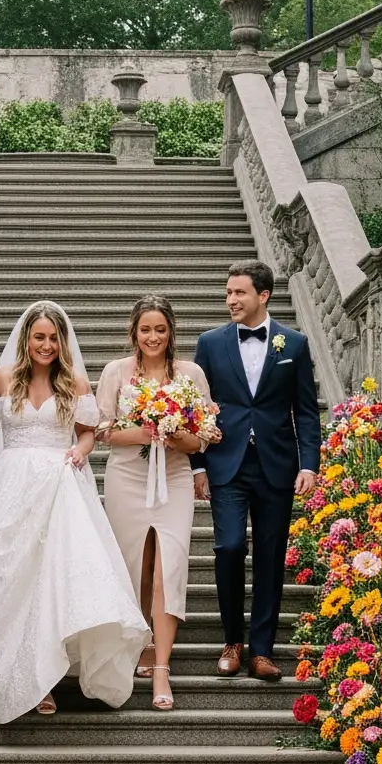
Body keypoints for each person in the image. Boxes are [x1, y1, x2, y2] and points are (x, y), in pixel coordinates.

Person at [0, 299, 149, 724]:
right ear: (26, 339)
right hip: (12, 486)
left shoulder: (76, 383)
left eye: (53, 338)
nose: (46, 345)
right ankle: (12, 671)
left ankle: (44, 675)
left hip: (59, 485)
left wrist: (79, 454)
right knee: (10, 579)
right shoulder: (2, 378)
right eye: (39, 337)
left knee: (50, 579)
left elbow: (86, 436)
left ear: (63, 342)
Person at [193, 257, 320, 680]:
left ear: (263, 295)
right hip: (225, 463)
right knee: (229, 548)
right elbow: (197, 410)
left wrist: (310, 465)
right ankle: (232, 640)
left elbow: (305, 411)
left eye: (239, 292)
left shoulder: (294, 345)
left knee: (270, 556)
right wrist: (198, 466)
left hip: (277, 465)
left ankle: (262, 650)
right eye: (228, 292)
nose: (231, 299)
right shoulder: (210, 343)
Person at [95, 294, 216, 713]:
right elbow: (102, 430)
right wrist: (147, 429)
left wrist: (176, 433)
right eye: (145, 329)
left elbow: (203, 437)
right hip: (127, 477)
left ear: (171, 332)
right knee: (134, 567)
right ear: (134, 332)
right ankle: (138, 644)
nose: (153, 337)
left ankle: (161, 667)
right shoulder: (115, 372)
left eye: (160, 330)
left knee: (170, 568)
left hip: (176, 479)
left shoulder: (190, 374)